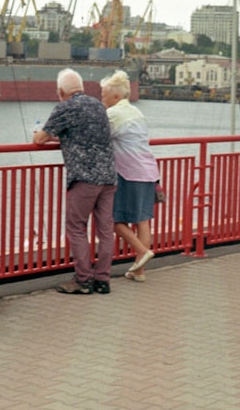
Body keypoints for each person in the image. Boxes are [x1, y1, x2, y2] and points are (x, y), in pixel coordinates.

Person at [33, 68, 117, 295]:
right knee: (105, 229)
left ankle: (83, 280)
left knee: (76, 227)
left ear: (61, 91)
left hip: (85, 177)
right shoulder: (99, 106)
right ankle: (102, 279)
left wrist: (37, 133)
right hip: (109, 176)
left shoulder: (65, 107)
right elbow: (87, 132)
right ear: (81, 87)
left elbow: (41, 139)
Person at [100, 70, 159, 282]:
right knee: (143, 221)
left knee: (112, 218)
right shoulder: (137, 113)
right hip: (149, 171)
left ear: (116, 97)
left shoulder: (113, 114)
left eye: (104, 95)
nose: (102, 99)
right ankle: (139, 271)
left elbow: (97, 137)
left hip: (129, 172)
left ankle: (142, 251)